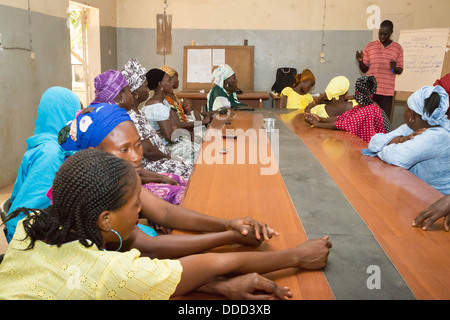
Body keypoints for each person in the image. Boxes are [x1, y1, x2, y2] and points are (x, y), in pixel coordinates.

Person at [0, 148, 332, 299]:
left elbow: (146, 257)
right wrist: (297, 257)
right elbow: (217, 262)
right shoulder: (106, 270)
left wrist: (225, 240)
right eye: (136, 206)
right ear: (105, 219)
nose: (142, 210)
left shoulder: (35, 228)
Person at [59, 103, 279, 258]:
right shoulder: (89, 193)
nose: (136, 156)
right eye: (124, 149)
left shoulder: (118, 179)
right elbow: (149, 248)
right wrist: (229, 236)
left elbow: (165, 212)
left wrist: (226, 223)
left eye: (137, 145)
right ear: (91, 153)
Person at [85, 69, 187, 206]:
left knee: (183, 181)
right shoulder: (114, 125)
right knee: (182, 191)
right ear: (119, 95)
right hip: (125, 183)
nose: (131, 94)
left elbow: (129, 167)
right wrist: (160, 177)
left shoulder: (122, 118)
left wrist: (161, 178)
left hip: (134, 174)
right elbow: (130, 166)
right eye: (128, 90)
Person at [4, 87, 81, 243]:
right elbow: (26, 219)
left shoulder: (55, 146)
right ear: (65, 114)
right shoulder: (50, 154)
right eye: (76, 114)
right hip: (34, 238)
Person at [361, 85, 450, 195]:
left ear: (411, 115)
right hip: (416, 190)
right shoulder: (410, 128)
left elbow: (395, 157)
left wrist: (387, 145)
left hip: (435, 199)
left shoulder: (437, 136)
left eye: (405, 109)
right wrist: (401, 139)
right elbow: (374, 142)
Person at [121, 59, 193, 180]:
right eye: (145, 87)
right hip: (152, 164)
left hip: (161, 156)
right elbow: (149, 152)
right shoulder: (132, 116)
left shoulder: (139, 112)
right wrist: (172, 159)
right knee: (191, 173)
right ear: (136, 92)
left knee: (192, 167)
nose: (148, 90)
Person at [305, 76, 389, 143]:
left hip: (377, 146)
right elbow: (342, 117)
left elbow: (344, 124)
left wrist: (318, 124)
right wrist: (320, 119)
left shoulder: (367, 109)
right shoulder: (361, 107)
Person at [142, 68, 200, 164]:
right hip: (164, 148)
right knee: (199, 154)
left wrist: (175, 129)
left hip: (171, 142)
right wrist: (177, 130)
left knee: (200, 148)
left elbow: (173, 126)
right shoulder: (157, 107)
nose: (172, 83)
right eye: (169, 80)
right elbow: (170, 137)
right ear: (160, 84)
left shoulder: (163, 102)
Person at [356, 20, 404, 119]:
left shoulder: (398, 48)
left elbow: (399, 71)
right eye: (380, 33)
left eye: (385, 34)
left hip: (386, 92)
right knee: (368, 120)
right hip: (370, 91)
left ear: (391, 33)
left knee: (384, 121)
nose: (382, 36)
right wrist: (360, 61)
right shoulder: (370, 46)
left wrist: (394, 68)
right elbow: (364, 70)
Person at [160, 65, 212, 139]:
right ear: (169, 81)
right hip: (180, 133)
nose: (178, 81)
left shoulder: (173, 95)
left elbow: (181, 116)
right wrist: (203, 122)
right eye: (176, 79)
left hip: (185, 130)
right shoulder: (167, 100)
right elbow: (178, 124)